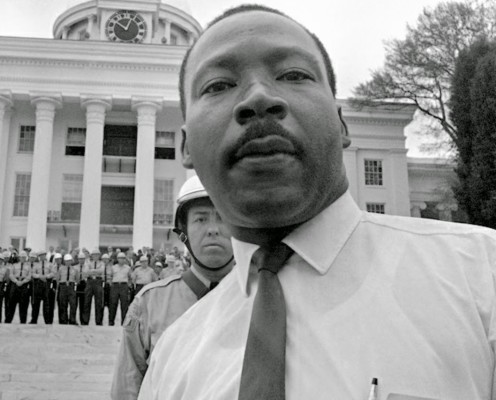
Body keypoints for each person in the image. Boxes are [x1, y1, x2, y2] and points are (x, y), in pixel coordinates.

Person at [138, 5, 496, 400]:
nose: (258, 97)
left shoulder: (481, 278)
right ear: (185, 145)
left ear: (342, 124)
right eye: (218, 85)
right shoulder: (172, 363)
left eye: (293, 75)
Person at [112, 175, 234, 399]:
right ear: (182, 233)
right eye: (200, 219)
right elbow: (126, 389)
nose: (213, 230)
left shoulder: (262, 298)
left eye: (223, 218)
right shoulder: (149, 304)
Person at [5, 251, 32, 323]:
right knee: (11, 303)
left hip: (24, 284)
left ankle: (23, 321)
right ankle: (8, 320)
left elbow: (29, 276)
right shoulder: (14, 265)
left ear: (26, 258)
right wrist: (16, 281)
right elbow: (11, 275)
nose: (22, 258)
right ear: (19, 258)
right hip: (15, 284)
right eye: (21, 257)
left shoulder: (28, 267)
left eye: (24, 257)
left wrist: (22, 282)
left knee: (23, 304)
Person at [108, 252, 131, 326]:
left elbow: (130, 278)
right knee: (112, 304)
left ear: (125, 259)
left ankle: (124, 322)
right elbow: (110, 277)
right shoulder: (113, 267)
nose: (121, 260)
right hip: (115, 286)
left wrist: (128, 285)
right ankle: (111, 322)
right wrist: (111, 284)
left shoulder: (128, 268)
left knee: (124, 305)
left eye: (123, 258)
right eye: (120, 258)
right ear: (117, 259)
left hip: (124, 286)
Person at [84, 249, 105, 325]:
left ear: (99, 256)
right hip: (90, 282)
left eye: (97, 255)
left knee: (99, 302)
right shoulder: (88, 262)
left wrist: (92, 270)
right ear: (91, 256)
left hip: (98, 282)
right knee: (87, 301)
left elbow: (101, 271)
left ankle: (98, 321)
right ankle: (85, 321)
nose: (95, 256)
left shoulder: (102, 263)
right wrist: (96, 271)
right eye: (94, 255)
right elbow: (86, 271)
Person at [30, 250, 52, 324]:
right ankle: (34, 319)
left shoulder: (50, 264)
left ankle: (47, 320)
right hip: (38, 283)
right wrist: (39, 276)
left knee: (46, 303)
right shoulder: (36, 265)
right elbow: (32, 273)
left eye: (43, 255)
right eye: (40, 256)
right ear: (39, 257)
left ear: (45, 256)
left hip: (46, 283)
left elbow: (53, 273)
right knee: (35, 303)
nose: (42, 257)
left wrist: (46, 276)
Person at [57, 254, 79, 325]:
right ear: (64, 261)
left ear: (71, 261)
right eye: (66, 261)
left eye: (69, 261)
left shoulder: (75, 269)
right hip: (63, 286)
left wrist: (73, 284)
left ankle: (72, 320)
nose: (68, 262)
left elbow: (77, 279)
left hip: (71, 286)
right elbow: (58, 278)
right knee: (63, 304)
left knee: (73, 304)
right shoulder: (60, 269)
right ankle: (64, 320)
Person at [75, 252, 91, 325]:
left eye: (83, 259)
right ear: (78, 259)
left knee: (83, 303)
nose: (81, 260)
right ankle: (73, 319)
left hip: (84, 285)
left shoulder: (88, 267)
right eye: (80, 259)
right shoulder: (75, 267)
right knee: (74, 304)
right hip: (77, 285)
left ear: (85, 259)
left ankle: (83, 320)